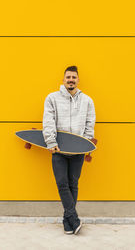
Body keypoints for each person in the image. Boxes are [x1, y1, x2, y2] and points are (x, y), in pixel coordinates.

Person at [42, 65, 96, 235]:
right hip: (58, 149)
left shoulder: (87, 100)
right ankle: (74, 218)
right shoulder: (52, 98)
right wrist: (50, 141)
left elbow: (90, 123)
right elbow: (48, 120)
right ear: (63, 79)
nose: (71, 80)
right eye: (68, 77)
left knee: (73, 183)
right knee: (62, 184)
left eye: (74, 77)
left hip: (77, 150)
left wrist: (85, 143)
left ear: (78, 80)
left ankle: (67, 221)